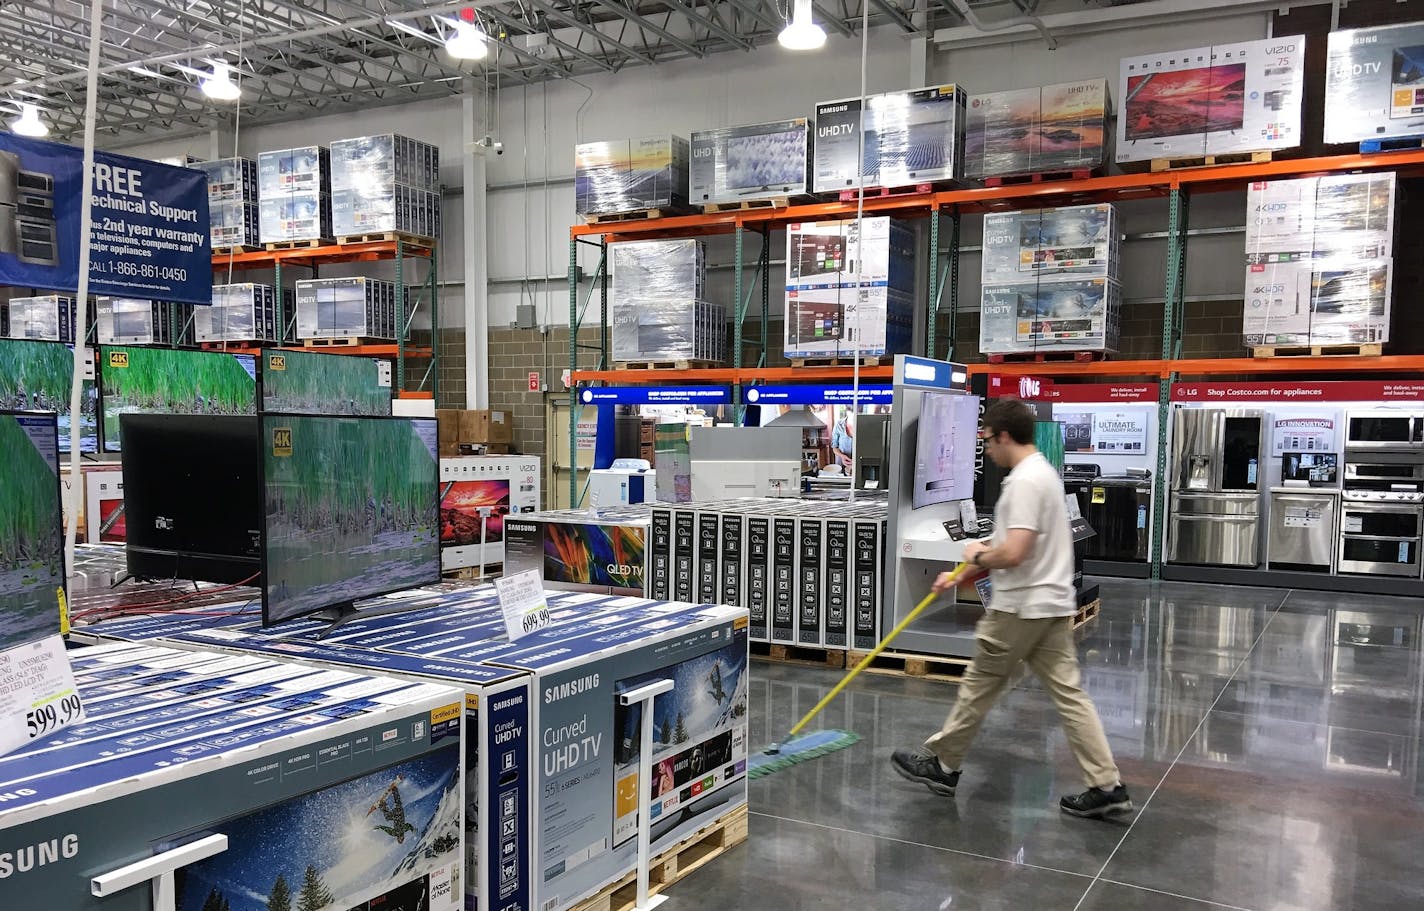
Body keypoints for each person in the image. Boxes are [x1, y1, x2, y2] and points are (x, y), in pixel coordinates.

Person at [890, 398, 1131, 819]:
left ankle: (944, 765)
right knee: (1070, 697)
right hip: (1051, 604)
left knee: (978, 687)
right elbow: (1023, 546)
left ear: (1004, 436)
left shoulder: (1022, 483)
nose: (986, 450)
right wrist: (968, 568)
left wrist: (975, 554)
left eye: (986, 440)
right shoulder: (1045, 474)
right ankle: (1106, 784)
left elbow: (1014, 553)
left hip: (1019, 608)